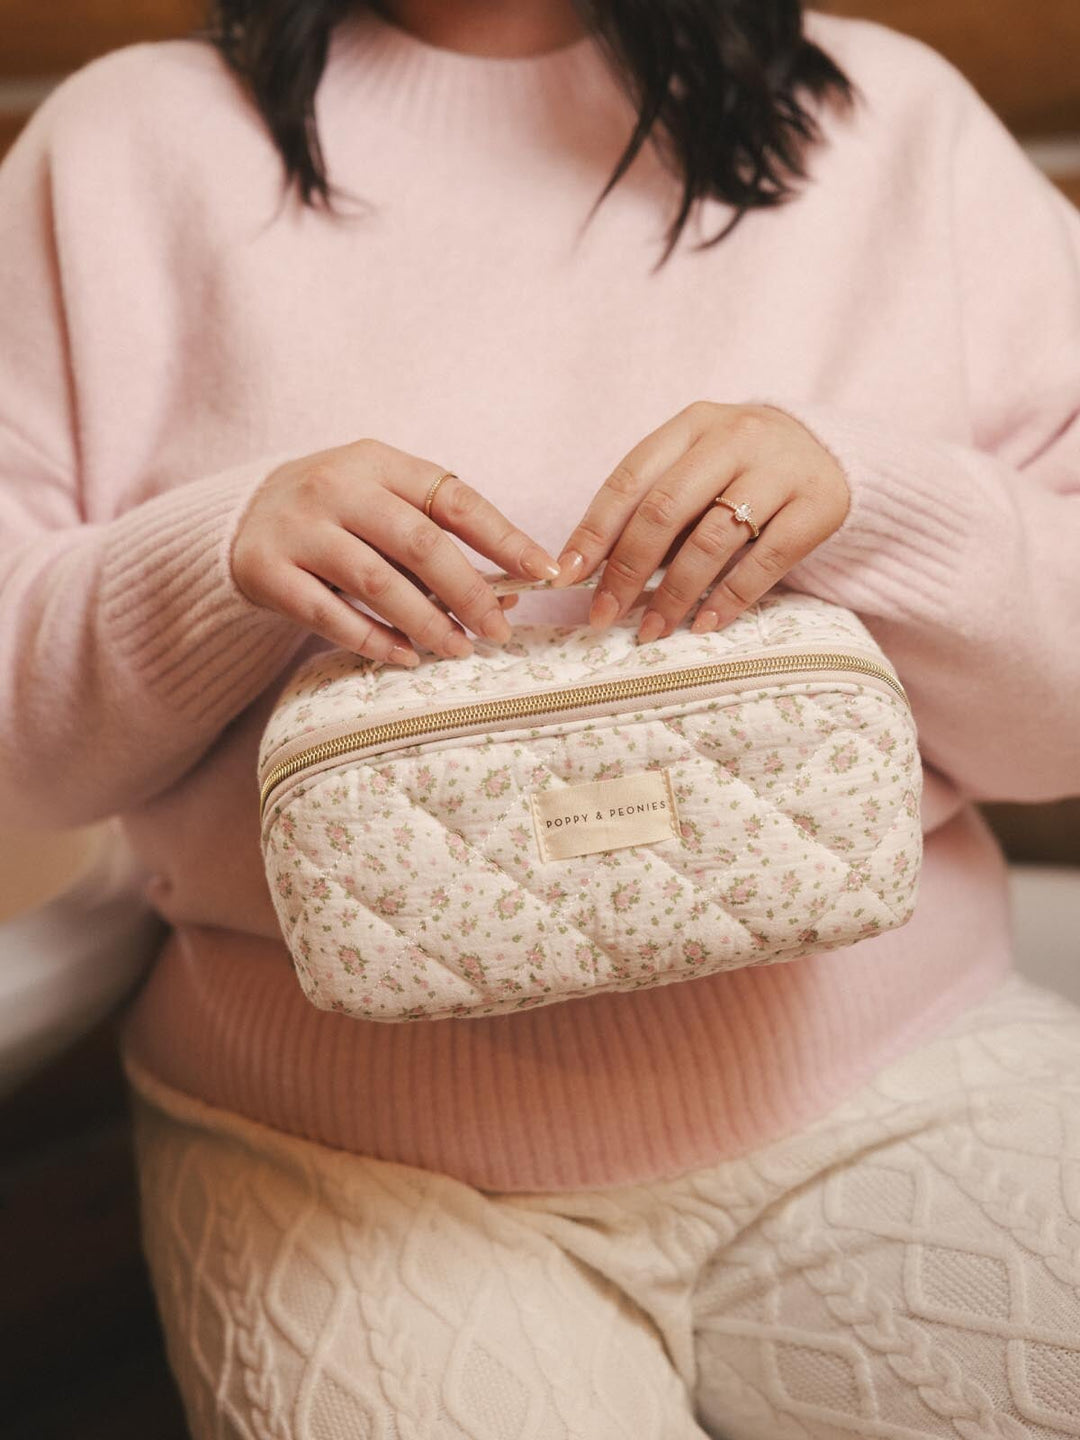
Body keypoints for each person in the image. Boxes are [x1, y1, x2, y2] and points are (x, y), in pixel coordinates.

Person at [2, 0, 1079, 1433]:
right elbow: (21, 770)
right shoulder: (118, 147)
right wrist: (214, 565)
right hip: (337, 1161)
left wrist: (871, 507)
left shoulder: (898, 119)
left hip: (906, 1078)